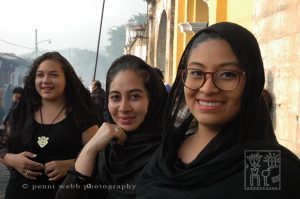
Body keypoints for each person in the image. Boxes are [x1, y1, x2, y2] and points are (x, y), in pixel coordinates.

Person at [135, 22, 300, 198]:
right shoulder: (167, 154)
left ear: (251, 82)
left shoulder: (269, 168)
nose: (207, 88)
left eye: (227, 74)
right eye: (197, 73)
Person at [55, 54, 168, 199]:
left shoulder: (169, 155)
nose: (123, 107)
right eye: (115, 97)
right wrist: (90, 149)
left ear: (152, 99)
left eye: (134, 96)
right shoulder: (104, 149)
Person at [0, 52, 99, 199]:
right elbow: (2, 146)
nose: (45, 80)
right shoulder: (21, 112)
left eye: (53, 75)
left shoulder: (81, 116)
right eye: (40, 75)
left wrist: (72, 165)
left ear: (67, 79)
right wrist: (11, 160)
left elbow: (99, 157)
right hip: (18, 192)